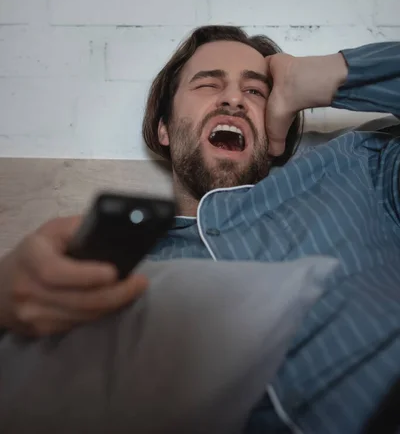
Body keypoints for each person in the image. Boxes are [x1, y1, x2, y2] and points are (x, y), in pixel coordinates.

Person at [0, 25, 399, 433]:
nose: (233, 99)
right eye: (208, 85)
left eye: (256, 91)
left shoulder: (362, 169)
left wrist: (332, 74)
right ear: (165, 128)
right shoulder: (128, 273)